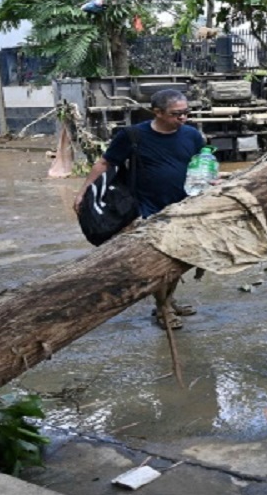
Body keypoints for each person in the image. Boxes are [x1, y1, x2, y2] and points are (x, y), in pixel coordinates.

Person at [74, 88, 205, 328]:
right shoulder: (133, 135)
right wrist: (83, 192)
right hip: (148, 208)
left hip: (184, 206)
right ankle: (162, 309)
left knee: (180, 258)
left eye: (186, 112)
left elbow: (201, 164)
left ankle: (168, 300)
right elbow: (105, 162)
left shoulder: (192, 135)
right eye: (177, 114)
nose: (183, 118)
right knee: (161, 261)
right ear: (157, 112)